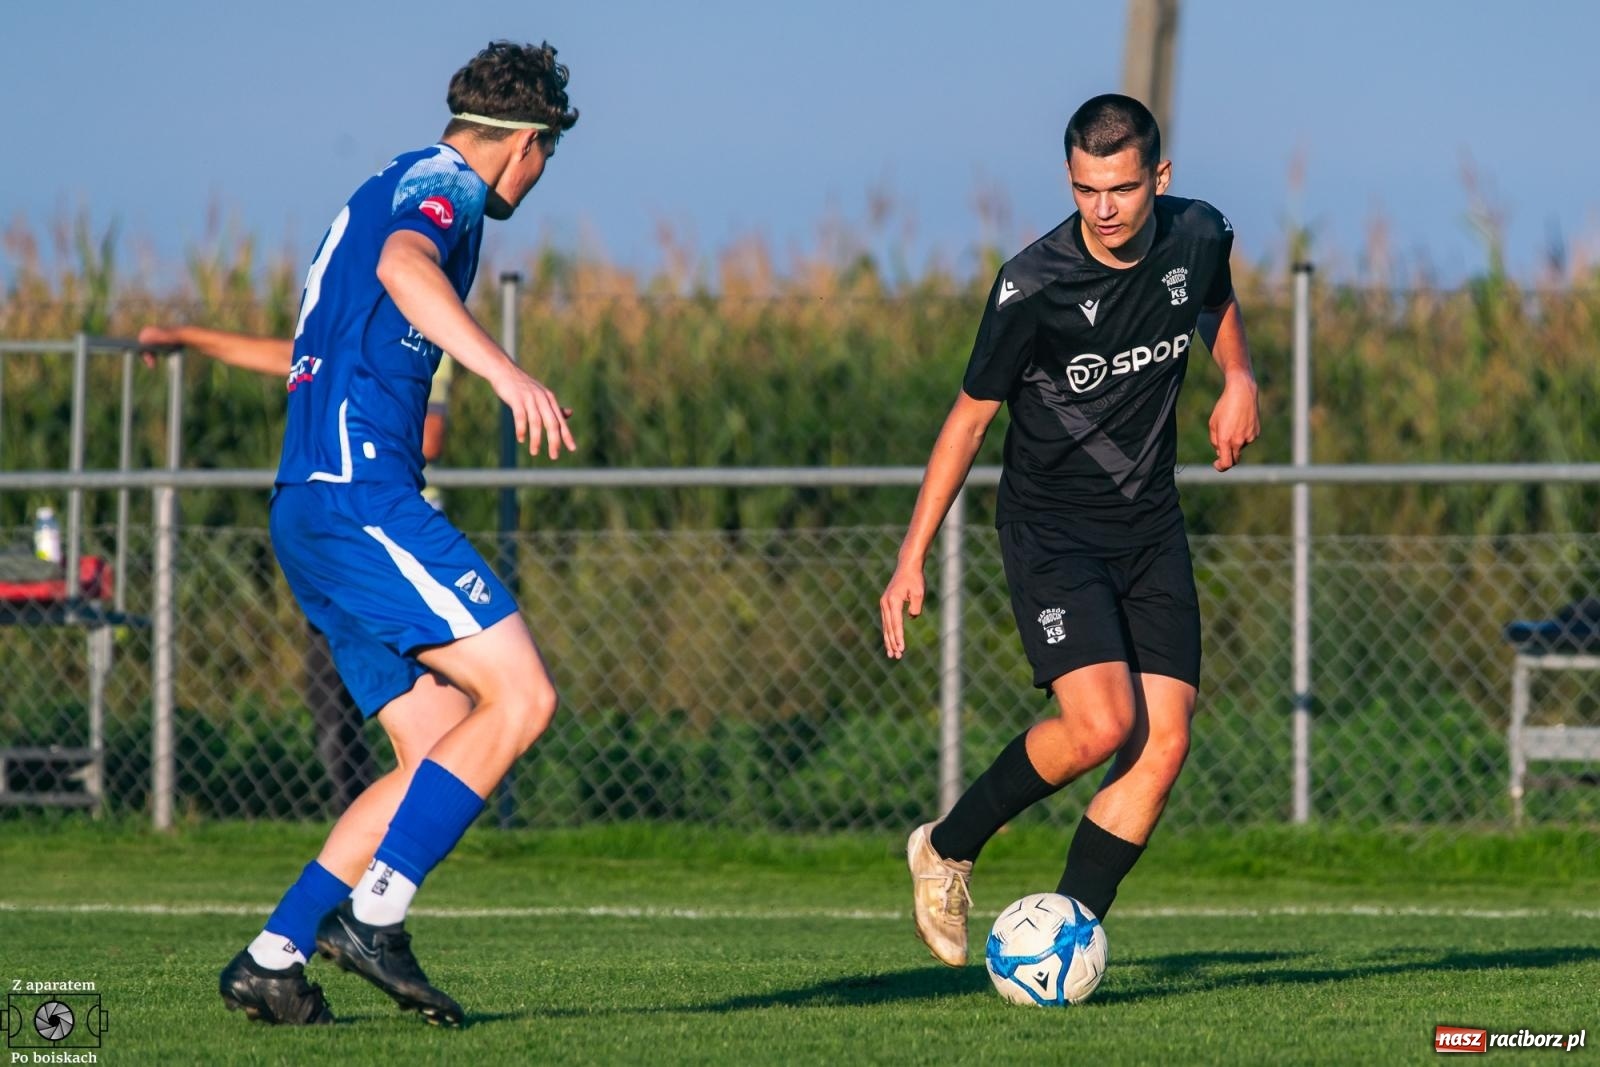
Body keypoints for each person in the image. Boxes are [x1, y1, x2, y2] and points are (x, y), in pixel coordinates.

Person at [209, 40, 579, 1026]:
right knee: (524, 693)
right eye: (548, 157)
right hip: (359, 498)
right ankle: (378, 912)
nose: (540, 178)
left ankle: (275, 953)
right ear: (527, 144)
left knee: (435, 747)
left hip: (310, 505)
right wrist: (506, 374)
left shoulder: (378, 186)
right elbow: (405, 264)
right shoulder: (440, 188)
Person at [880, 94, 1259, 968]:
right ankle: (947, 845)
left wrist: (1237, 374)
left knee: (1163, 741)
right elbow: (966, 424)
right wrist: (910, 559)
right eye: (1087, 189)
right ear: (1070, 180)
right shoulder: (1033, 286)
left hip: (1150, 525)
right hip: (1053, 530)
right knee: (1100, 724)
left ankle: (1062, 935)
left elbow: (1213, 298)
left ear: (1158, 178)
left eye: (1122, 188)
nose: (1104, 208)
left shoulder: (1196, 232)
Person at [136, 326, 460, 810]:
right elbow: (278, 355)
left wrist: (344, 410)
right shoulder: (338, 332)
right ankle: (364, 827)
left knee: (433, 707)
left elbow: (429, 436)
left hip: (396, 547)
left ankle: (423, 818)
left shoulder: (415, 333)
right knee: (332, 702)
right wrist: (186, 335)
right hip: (335, 544)